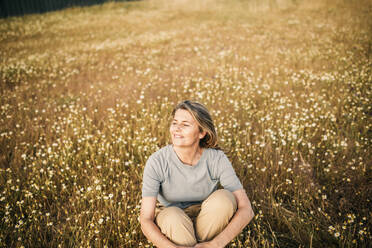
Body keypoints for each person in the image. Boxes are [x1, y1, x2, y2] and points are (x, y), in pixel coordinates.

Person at [140, 100, 254, 248]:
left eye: (185, 124)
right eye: (175, 123)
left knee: (225, 198)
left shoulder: (216, 158)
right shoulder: (157, 161)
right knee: (173, 216)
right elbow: (146, 219)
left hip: (206, 219)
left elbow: (247, 209)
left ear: (202, 133)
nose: (177, 129)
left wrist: (215, 244)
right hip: (172, 217)